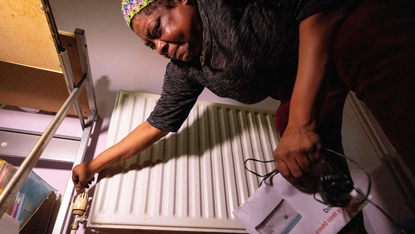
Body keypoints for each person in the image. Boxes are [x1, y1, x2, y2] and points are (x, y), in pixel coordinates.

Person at [72, 0, 415, 232]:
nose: (159, 47)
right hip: (302, 81)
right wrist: (92, 167)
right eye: (151, 45)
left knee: (368, 41)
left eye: (157, 30)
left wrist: (301, 123)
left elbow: (317, 7)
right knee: (296, 157)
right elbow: (155, 125)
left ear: (182, 1)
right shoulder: (187, 69)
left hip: (339, 28)